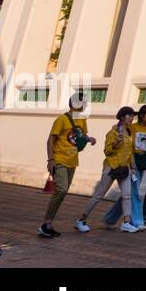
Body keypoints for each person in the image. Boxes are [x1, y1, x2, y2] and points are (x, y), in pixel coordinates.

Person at [38, 92, 97, 238]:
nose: (86, 105)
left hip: (72, 161)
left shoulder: (82, 119)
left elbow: (80, 136)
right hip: (59, 159)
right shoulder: (62, 119)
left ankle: (48, 224)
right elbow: (50, 140)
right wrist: (50, 160)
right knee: (61, 190)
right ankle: (46, 223)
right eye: (84, 102)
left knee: (62, 193)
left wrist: (89, 139)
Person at [76, 107, 141, 233]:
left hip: (124, 168)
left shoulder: (129, 132)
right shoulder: (113, 133)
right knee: (99, 195)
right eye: (130, 115)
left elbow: (130, 151)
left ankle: (126, 222)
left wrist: (132, 167)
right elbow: (107, 151)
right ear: (122, 117)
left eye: (133, 116)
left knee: (127, 195)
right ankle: (81, 219)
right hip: (111, 167)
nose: (132, 118)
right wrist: (116, 142)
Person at [103, 105, 146, 228]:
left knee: (128, 194)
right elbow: (117, 128)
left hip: (142, 163)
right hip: (131, 163)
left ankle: (110, 218)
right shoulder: (132, 126)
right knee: (134, 193)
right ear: (142, 115)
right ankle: (136, 221)